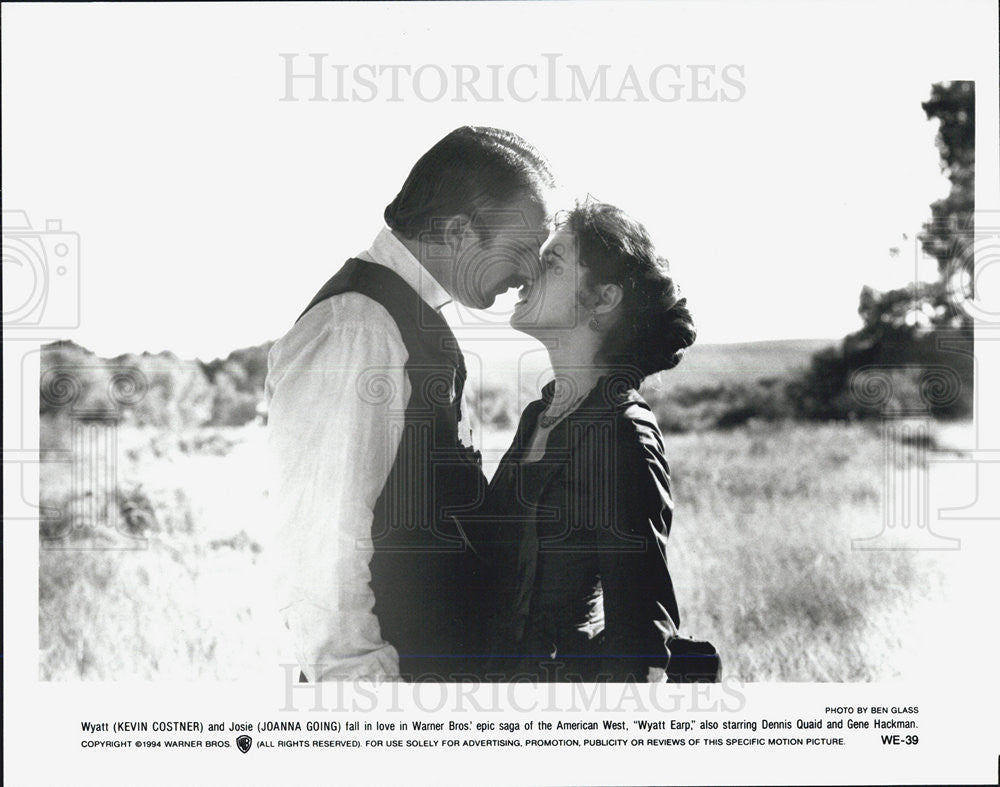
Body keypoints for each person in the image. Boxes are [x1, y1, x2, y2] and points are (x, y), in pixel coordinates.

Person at [265, 126, 553, 682]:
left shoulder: (404, 317)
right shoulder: (356, 325)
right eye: (521, 249)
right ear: (457, 231)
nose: (530, 272)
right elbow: (317, 540)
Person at [482, 200, 697, 682]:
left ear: (602, 299)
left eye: (552, 262)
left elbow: (641, 635)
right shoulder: (539, 415)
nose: (528, 273)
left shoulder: (622, 433)